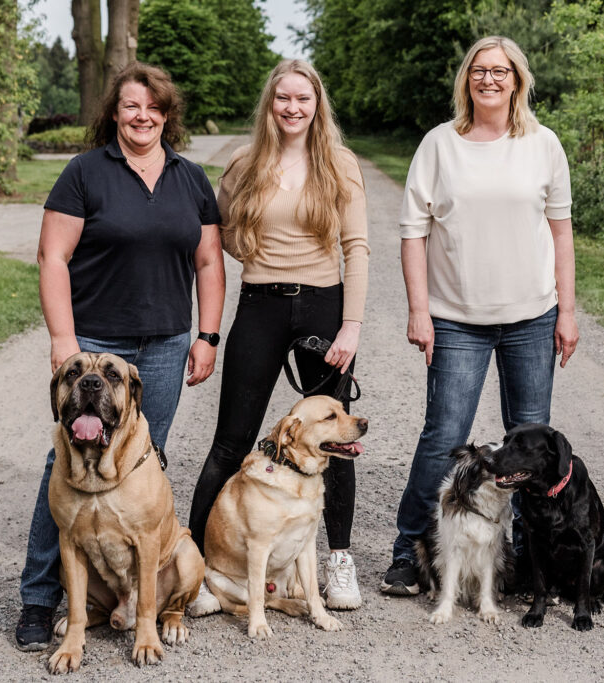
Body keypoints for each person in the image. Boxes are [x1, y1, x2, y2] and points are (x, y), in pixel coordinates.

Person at [14, 62, 226, 651]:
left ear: (166, 114)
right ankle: (39, 598)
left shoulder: (190, 178)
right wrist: (63, 342)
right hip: (94, 350)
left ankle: (142, 597)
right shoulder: (85, 173)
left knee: (140, 464)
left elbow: (209, 262)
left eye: (153, 107)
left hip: (162, 347)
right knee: (67, 462)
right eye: (131, 106)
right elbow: (51, 257)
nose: (142, 116)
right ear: (114, 112)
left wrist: (206, 336)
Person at [380, 35, 578, 595]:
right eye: (479, 71)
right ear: (467, 79)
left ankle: (521, 560)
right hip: (455, 318)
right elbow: (413, 233)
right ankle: (407, 552)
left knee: (530, 445)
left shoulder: (543, 144)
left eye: (500, 71)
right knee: (444, 433)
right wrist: (420, 310)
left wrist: (567, 310)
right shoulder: (439, 145)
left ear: (518, 80)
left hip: (533, 316)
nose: (489, 80)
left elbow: (562, 234)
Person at [186, 59, 369, 612]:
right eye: (282, 99)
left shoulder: (339, 162)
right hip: (261, 304)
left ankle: (337, 561)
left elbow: (356, 246)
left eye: (303, 99)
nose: (293, 108)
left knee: (333, 441)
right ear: (270, 104)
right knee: (231, 440)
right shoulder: (245, 163)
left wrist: (352, 325)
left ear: (318, 106)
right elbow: (222, 238)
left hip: (323, 306)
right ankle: (190, 561)